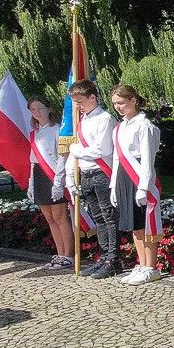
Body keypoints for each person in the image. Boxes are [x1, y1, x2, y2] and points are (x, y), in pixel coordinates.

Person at [109, 85, 163, 285]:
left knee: (145, 223)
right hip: (124, 176)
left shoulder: (144, 125)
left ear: (133, 100)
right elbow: (116, 158)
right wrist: (113, 185)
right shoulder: (120, 126)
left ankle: (151, 266)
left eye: (121, 102)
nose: (118, 107)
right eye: (115, 104)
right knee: (134, 225)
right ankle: (141, 263)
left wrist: (143, 186)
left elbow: (148, 158)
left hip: (140, 175)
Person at [66, 80, 119, 279]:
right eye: (75, 102)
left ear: (92, 98)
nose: (78, 106)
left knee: (109, 218)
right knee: (98, 219)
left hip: (101, 173)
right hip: (87, 174)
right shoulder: (83, 120)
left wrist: (76, 149)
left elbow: (102, 149)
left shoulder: (104, 119)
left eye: (80, 101)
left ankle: (113, 260)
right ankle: (104, 256)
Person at [27, 96, 73, 269]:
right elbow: (33, 160)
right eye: (33, 110)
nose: (37, 112)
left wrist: (58, 181)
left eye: (40, 108)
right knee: (50, 219)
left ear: (49, 108)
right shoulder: (35, 132)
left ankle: (68, 255)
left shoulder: (57, 129)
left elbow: (62, 156)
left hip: (54, 175)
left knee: (60, 217)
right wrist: (31, 183)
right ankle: (60, 253)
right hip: (39, 175)